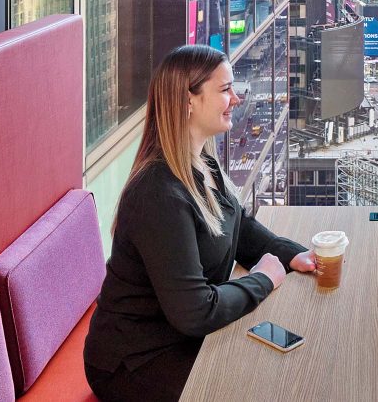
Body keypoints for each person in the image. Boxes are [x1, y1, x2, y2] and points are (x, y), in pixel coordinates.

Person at [84, 45, 316, 401]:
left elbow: (242, 230)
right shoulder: (158, 194)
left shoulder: (202, 163)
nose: (236, 99)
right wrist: (264, 279)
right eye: (225, 90)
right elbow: (195, 312)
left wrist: (294, 256)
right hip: (134, 361)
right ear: (188, 101)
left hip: (182, 336)